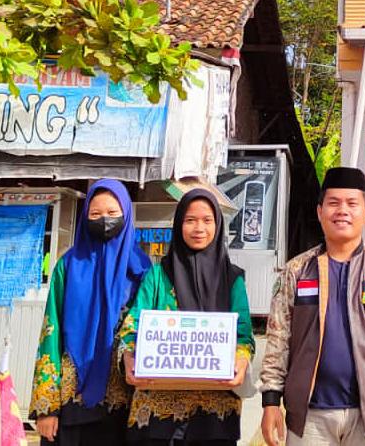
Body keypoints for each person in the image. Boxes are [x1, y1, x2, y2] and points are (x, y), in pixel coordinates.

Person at [260, 167, 365, 446]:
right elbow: (278, 337)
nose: (342, 210)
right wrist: (270, 400)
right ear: (320, 212)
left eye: (352, 203)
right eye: (333, 203)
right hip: (309, 417)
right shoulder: (296, 270)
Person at [120, 188, 255, 446]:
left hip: (214, 413)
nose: (198, 228)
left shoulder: (233, 279)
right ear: (178, 223)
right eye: (190, 220)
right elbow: (132, 325)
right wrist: (128, 356)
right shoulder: (158, 275)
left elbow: (244, 334)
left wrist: (241, 359)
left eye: (207, 220)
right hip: (158, 413)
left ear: (218, 225)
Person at [30, 179, 151, 446]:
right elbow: (51, 334)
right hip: (73, 403)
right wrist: (46, 407)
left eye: (112, 213)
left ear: (127, 215)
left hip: (126, 405)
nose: (104, 220)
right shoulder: (69, 266)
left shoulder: (144, 271)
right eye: (95, 214)